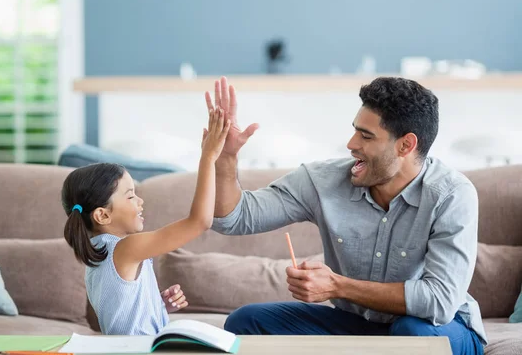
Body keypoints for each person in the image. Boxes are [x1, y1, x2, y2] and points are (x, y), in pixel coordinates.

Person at [206, 76, 486, 355]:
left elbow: (438, 302)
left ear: (405, 145)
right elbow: (234, 218)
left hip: (440, 327)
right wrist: (225, 158)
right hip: (359, 323)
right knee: (245, 322)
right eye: (355, 131)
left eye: (366, 136)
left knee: (409, 335)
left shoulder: (451, 195)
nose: (351, 144)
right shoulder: (322, 180)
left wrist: (337, 286)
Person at [61, 107, 230, 335]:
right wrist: (208, 157)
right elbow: (199, 221)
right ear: (102, 215)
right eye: (130, 195)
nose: (140, 201)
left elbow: (116, 316)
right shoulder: (124, 248)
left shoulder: (99, 252)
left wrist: (158, 307)